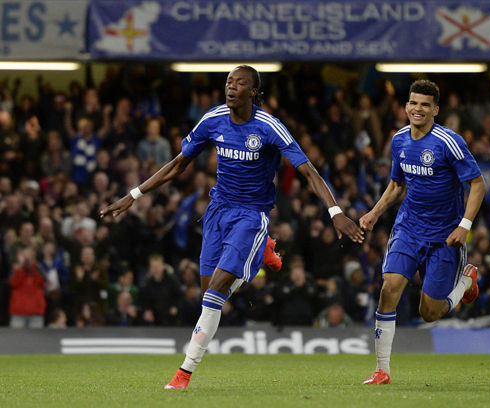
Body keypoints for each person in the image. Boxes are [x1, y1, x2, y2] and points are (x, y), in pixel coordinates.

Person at [100, 65, 363, 389]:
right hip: (217, 213)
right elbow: (179, 164)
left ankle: (183, 373)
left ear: (254, 92)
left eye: (240, 83)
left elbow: (307, 170)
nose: (232, 87)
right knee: (210, 290)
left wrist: (335, 210)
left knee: (215, 293)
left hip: (251, 216)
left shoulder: (269, 126)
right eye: (228, 82)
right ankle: (260, 255)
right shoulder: (213, 119)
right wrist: (134, 194)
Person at [359, 80, 485, 385]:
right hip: (408, 228)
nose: (418, 109)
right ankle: (382, 370)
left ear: (435, 110)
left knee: (429, 312)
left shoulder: (448, 142)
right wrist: (375, 212)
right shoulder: (399, 140)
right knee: (389, 289)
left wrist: (463, 227)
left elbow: (478, 184)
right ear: (406, 107)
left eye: (425, 105)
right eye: (413, 103)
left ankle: (465, 281)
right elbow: (396, 185)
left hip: (444, 235)